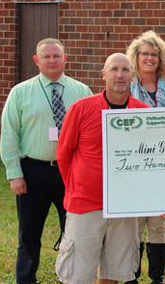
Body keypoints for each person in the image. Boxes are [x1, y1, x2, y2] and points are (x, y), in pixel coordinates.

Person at [0, 38, 92, 284]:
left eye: (57, 56)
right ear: (36, 60)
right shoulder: (20, 92)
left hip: (71, 173)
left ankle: (72, 278)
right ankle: (26, 279)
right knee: (29, 234)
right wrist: (14, 172)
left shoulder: (81, 92)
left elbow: (91, 133)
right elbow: (9, 133)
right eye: (47, 56)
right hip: (33, 171)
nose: (52, 60)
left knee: (74, 231)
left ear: (65, 59)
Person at [55, 53, 148, 284]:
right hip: (85, 204)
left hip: (123, 207)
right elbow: (64, 153)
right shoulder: (81, 108)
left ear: (133, 76)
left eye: (125, 70)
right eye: (114, 69)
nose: (119, 75)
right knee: (78, 274)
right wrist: (79, 186)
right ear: (103, 75)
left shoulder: (143, 112)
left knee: (114, 273)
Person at [125, 30, 165, 284]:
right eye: (144, 53)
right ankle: (131, 275)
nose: (149, 58)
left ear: (161, 59)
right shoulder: (124, 87)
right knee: (134, 224)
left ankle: (157, 277)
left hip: (163, 165)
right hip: (134, 165)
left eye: (155, 54)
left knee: (158, 223)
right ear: (135, 57)